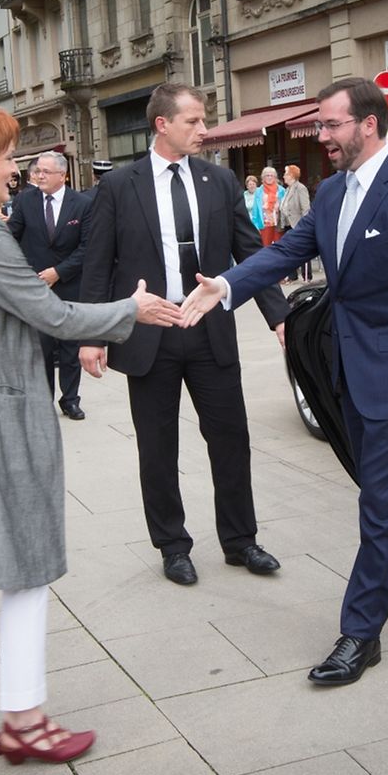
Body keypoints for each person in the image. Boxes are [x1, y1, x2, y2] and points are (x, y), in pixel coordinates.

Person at [0, 99, 180, 766]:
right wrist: (131, 309)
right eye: (3, 158)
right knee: (25, 562)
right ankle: (23, 718)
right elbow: (51, 315)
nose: (12, 172)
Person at [180, 77, 388, 686]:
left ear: (368, 124)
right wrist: (227, 286)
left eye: (331, 124)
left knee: (379, 503)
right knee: (387, 489)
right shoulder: (335, 189)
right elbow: (288, 250)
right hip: (348, 367)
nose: (322, 135)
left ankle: (360, 634)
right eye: (319, 125)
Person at [79, 83, 288, 586]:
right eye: (193, 121)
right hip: (150, 332)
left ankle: (240, 541)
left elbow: (251, 255)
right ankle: (173, 546)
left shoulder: (220, 180)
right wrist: (92, 333)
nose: (204, 130)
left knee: (231, 439)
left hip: (209, 328)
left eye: (203, 120)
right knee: (157, 447)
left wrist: (279, 315)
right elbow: (97, 263)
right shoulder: (119, 186)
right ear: (162, 124)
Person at [8, 151, 93, 420]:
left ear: (62, 175)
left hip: (69, 284)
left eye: (45, 171)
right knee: (40, 348)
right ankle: (43, 401)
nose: (39, 176)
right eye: (37, 171)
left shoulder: (82, 204)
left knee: (70, 347)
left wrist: (59, 272)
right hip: (36, 287)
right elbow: (11, 236)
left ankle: (70, 400)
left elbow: (87, 246)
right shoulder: (25, 200)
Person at [279, 164, 312, 281]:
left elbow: (305, 208)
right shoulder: (287, 189)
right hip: (288, 225)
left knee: (302, 250)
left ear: (292, 175)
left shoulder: (300, 188)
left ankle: (306, 276)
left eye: (286, 174)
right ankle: (292, 276)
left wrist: (305, 225)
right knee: (289, 250)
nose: (284, 176)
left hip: (298, 223)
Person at [251, 166, 284, 246]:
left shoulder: (281, 190)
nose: (269, 177)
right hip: (264, 225)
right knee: (265, 248)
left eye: (271, 175)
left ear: (275, 177)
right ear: (263, 177)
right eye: (267, 175)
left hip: (278, 225)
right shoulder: (258, 191)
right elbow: (255, 210)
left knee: (279, 247)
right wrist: (256, 226)